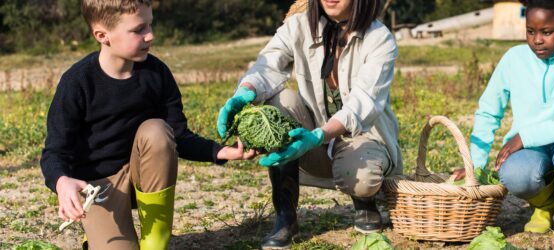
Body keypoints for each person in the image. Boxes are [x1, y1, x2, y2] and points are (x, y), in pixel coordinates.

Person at [40, 0, 254, 249]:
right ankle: (99, 236)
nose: (150, 35)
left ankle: (155, 241)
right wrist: (61, 181)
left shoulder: (157, 74)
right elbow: (55, 151)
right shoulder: (77, 82)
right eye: (139, 29)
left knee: (157, 131)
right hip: (99, 187)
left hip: (144, 175)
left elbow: (179, 136)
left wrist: (221, 151)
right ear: (102, 35)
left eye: (150, 25)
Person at [216, 0, 403, 248]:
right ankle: (285, 216)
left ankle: (364, 201)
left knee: (362, 179)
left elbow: (362, 103)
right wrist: (245, 91)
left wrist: (318, 136)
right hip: (313, 142)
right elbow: (268, 64)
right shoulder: (298, 26)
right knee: (280, 101)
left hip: (362, 141)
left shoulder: (380, 39)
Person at [467, 0, 554, 238]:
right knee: (514, 173)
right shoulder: (513, 58)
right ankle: (543, 207)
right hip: (531, 152)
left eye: (547, 32)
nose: (537, 40)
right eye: (531, 31)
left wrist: (525, 136)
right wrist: (474, 167)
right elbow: (488, 111)